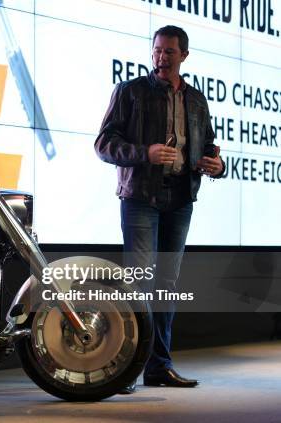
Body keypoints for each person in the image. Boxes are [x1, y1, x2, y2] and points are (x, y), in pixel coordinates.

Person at [94, 25, 225, 393]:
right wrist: (144, 153)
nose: (161, 58)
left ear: (184, 55)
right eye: (157, 51)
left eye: (169, 52)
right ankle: (127, 369)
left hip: (180, 199)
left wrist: (216, 165)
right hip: (140, 197)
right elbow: (104, 143)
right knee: (138, 282)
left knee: (166, 285)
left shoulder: (197, 100)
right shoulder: (131, 91)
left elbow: (209, 147)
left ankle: (159, 367)